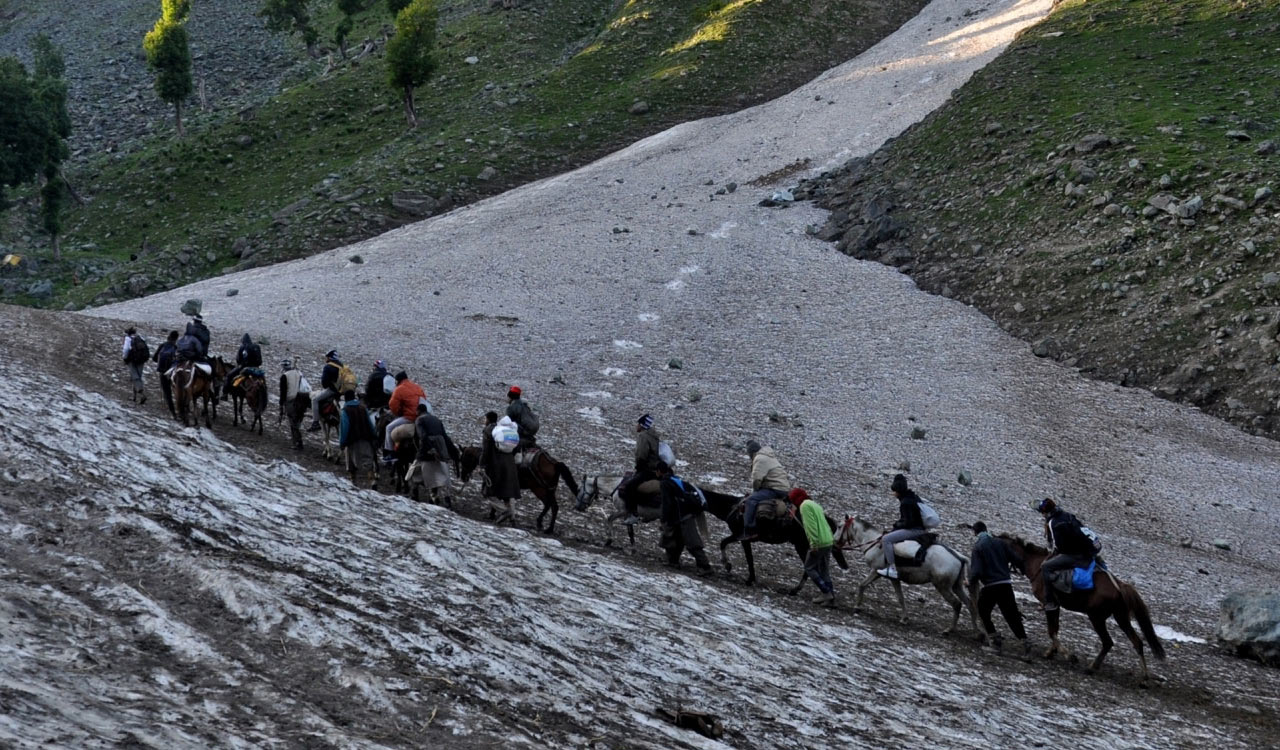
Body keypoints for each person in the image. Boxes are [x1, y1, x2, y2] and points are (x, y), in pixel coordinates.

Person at [967, 521, 1031, 657]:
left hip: (991, 585)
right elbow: (1017, 559)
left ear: (975, 532)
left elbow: (976, 571)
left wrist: (969, 582)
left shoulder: (978, 547)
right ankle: (1025, 643)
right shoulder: (1000, 543)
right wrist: (1023, 570)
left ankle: (995, 643)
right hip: (1006, 584)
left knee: (983, 611)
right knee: (1012, 614)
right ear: (986, 529)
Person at [1036, 498, 1098, 611]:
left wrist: (1053, 553)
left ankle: (1049, 601)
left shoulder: (1053, 523)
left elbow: (1059, 546)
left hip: (1075, 556)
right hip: (1087, 552)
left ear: (1045, 513)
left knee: (1045, 567)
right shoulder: (1067, 515)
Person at [657, 461, 712, 575]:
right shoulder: (676, 479)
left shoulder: (665, 483)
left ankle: (705, 566)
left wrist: (664, 518)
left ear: (659, 472)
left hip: (682, 516)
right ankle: (673, 560)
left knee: (691, 542)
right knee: (676, 539)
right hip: (684, 514)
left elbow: (667, 503)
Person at [876, 474, 928, 580]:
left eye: (894, 491)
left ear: (898, 490)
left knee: (886, 539)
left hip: (914, 530)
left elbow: (908, 523)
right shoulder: (913, 497)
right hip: (920, 528)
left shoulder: (905, 503)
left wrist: (896, 525)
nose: (893, 493)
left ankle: (892, 568)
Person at [791, 488, 836, 607]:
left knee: (809, 567)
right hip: (828, 541)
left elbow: (810, 527)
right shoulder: (814, 504)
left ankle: (826, 592)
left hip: (819, 542)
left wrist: (813, 544)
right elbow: (824, 523)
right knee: (824, 569)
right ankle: (831, 598)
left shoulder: (804, 507)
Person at [740, 440, 791, 541]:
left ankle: (750, 530)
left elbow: (757, 479)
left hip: (775, 488)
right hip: (783, 488)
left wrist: (755, 491)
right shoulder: (769, 456)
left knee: (751, 501)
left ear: (751, 452)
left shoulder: (759, 458)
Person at [412, 402, 460, 497]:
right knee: (442, 472)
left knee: (415, 469)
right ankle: (447, 499)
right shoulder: (436, 419)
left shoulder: (419, 420)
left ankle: (414, 493)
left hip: (427, 447)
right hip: (441, 447)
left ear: (418, 411)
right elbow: (445, 436)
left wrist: (431, 449)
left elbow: (423, 436)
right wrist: (453, 450)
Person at [620, 413, 660, 526]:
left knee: (629, 486)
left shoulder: (643, 436)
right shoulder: (654, 436)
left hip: (647, 470)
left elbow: (642, 455)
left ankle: (634, 515)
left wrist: (639, 467)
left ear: (642, 425)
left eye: (638, 423)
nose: (636, 426)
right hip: (654, 469)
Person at [480, 410, 520, 518]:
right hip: (510, 463)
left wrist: (482, 464)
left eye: (485, 419)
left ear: (488, 419)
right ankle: (512, 516)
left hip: (495, 465)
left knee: (488, 491)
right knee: (508, 492)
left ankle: (504, 510)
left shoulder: (488, 431)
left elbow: (485, 450)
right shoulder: (506, 430)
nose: (484, 421)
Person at [384, 370, 426, 461]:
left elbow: (392, 405)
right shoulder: (417, 387)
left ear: (398, 381)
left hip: (409, 417)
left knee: (388, 428)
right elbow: (424, 400)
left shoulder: (399, 389)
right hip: (421, 416)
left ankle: (391, 453)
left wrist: (398, 413)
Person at [339, 390, 377, 486]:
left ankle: (353, 480)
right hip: (365, 437)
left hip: (352, 439)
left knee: (350, 460)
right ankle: (372, 480)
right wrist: (373, 435)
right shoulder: (363, 408)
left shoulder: (345, 410)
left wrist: (342, 442)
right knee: (368, 460)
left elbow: (345, 428)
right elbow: (369, 423)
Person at [278, 359, 311, 450]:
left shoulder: (284, 376)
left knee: (293, 422)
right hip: (303, 399)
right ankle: (297, 440)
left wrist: (281, 404)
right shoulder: (298, 372)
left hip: (292, 400)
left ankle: (297, 442)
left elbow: (283, 392)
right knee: (298, 420)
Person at [308, 350, 343, 432]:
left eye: (327, 357)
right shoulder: (341, 366)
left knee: (315, 400)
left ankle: (315, 423)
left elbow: (324, 383)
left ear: (329, 357)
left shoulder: (328, 367)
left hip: (333, 391)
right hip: (342, 391)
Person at [222, 333, 263, 399]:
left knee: (229, 376)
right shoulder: (257, 346)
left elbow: (238, 359)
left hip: (245, 367)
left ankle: (225, 393)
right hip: (256, 368)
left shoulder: (243, 347)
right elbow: (260, 360)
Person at [152, 330, 179, 416]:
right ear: (176, 339)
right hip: (173, 372)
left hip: (163, 372)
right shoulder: (176, 348)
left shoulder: (162, 346)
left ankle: (172, 412)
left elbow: (154, 358)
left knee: (167, 393)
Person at [505, 386, 539, 451]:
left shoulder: (511, 408)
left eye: (508, 397)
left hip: (524, 431)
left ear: (511, 397)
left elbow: (507, 421)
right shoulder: (523, 404)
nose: (507, 398)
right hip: (530, 431)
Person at [121, 326, 148, 405]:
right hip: (141, 360)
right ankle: (134, 396)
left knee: (135, 378)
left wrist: (124, 358)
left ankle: (142, 394)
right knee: (138, 377)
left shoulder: (128, 339)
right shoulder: (140, 338)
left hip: (132, 360)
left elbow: (126, 350)